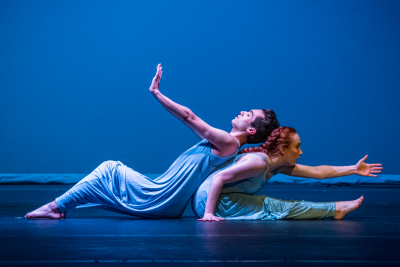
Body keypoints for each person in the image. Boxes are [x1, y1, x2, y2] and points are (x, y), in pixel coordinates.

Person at [24, 64, 280, 219]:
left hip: (161, 197)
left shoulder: (228, 143)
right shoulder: (227, 144)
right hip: (163, 196)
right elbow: (187, 120)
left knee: (109, 169)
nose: (244, 111)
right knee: (109, 173)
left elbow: (189, 117)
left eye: (250, 115)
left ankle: (54, 207)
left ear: (251, 130)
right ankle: (57, 207)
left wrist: (156, 93)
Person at [194, 126, 383, 221]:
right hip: (211, 201)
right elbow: (218, 177)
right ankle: (335, 209)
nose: (301, 152)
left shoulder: (277, 165)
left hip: (216, 198)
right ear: (283, 149)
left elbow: (318, 172)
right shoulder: (258, 163)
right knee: (274, 207)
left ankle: (334, 209)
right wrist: (208, 213)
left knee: (275, 206)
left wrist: (354, 169)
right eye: (297, 147)